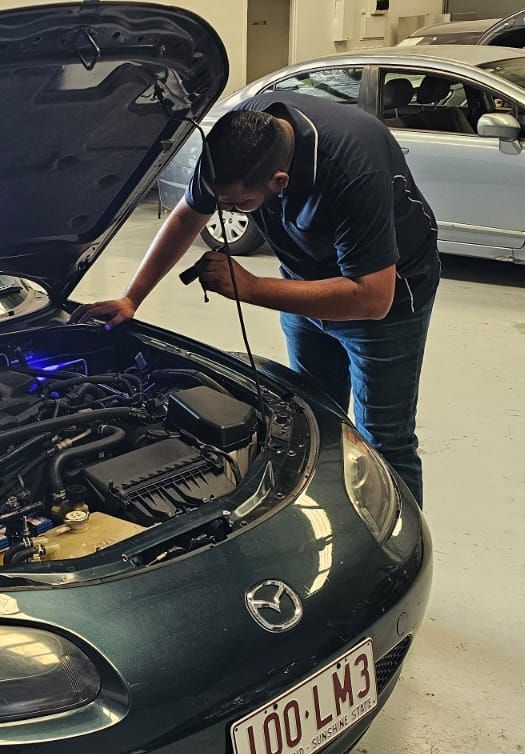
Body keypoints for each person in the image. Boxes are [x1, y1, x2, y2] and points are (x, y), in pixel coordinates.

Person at [75, 97, 440, 503]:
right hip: (305, 283)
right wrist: (132, 297)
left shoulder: (353, 167)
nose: (224, 212)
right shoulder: (233, 148)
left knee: (385, 439)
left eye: (237, 205)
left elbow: (372, 299)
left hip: (388, 303)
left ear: (279, 181)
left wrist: (250, 288)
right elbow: (186, 216)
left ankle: (398, 550)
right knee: (319, 421)